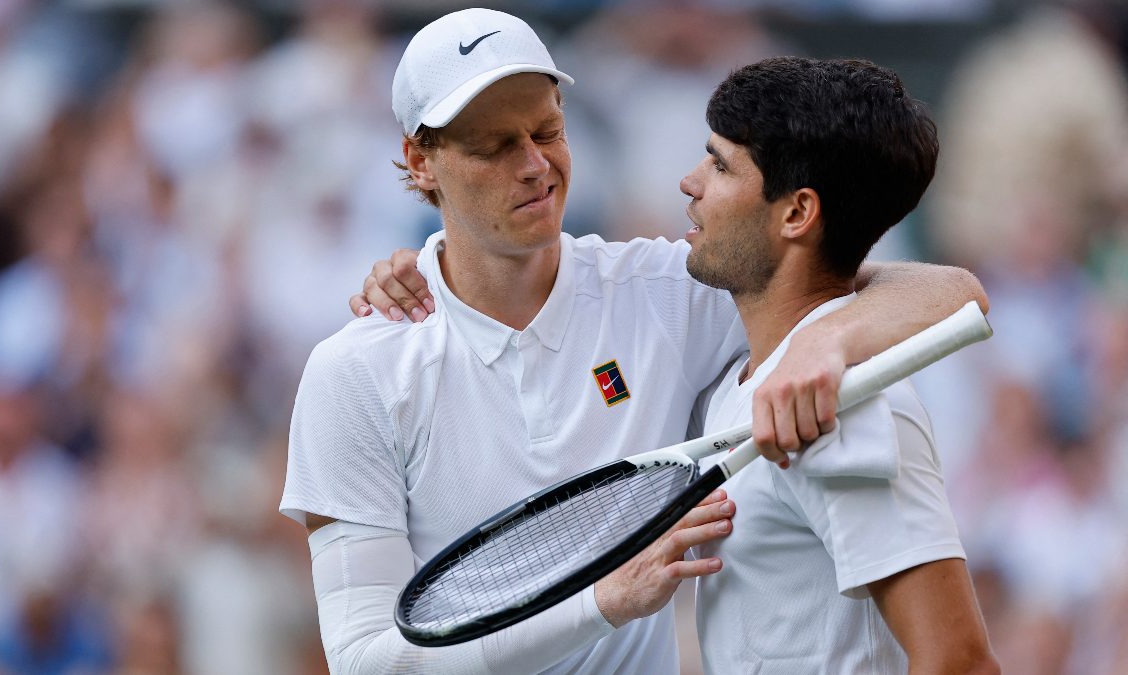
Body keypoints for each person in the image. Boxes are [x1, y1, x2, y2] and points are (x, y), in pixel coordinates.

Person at [292, 8, 986, 674]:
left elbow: (945, 289)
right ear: (419, 162)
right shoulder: (353, 372)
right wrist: (602, 603)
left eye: (547, 131)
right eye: (496, 146)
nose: (536, 165)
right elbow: (365, 661)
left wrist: (827, 339)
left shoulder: (670, 286)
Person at [676, 57, 998, 673]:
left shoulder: (846, 413)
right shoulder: (755, 372)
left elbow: (959, 661)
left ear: (797, 213)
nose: (690, 182)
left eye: (719, 164)